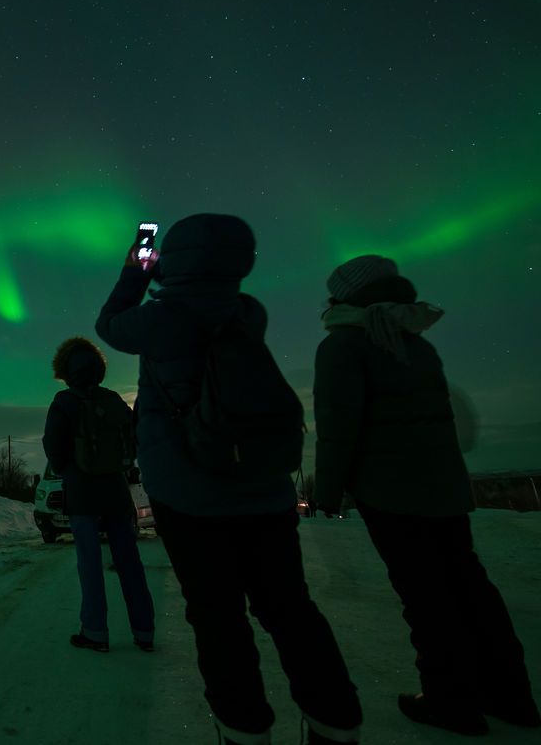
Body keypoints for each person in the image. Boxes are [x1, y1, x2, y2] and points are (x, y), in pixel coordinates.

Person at [95, 213, 362, 745]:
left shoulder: (161, 318)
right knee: (289, 609)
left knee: (218, 617)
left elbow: (110, 323)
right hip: (263, 491)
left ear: (175, 259)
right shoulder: (247, 314)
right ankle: (336, 723)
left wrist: (140, 266)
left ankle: (244, 731)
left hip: (189, 497)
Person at [314, 255, 539, 735]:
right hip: (444, 490)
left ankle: (450, 700)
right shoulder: (414, 341)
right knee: (470, 589)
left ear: (348, 298)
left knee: (426, 597)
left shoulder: (345, 346)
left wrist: (328, 491)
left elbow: (339, 428)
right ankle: (509, 695)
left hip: (391, 493)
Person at [42, 336, 155, 653]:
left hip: (82, 494)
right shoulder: (114, 400)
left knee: (89, 563)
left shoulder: (63, 402)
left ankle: (95, 631)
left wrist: (69, 472)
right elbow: (132, 440)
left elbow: (53, 447)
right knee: (129, 561)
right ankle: (144, 630)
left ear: (66, 371)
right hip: (117, 492)